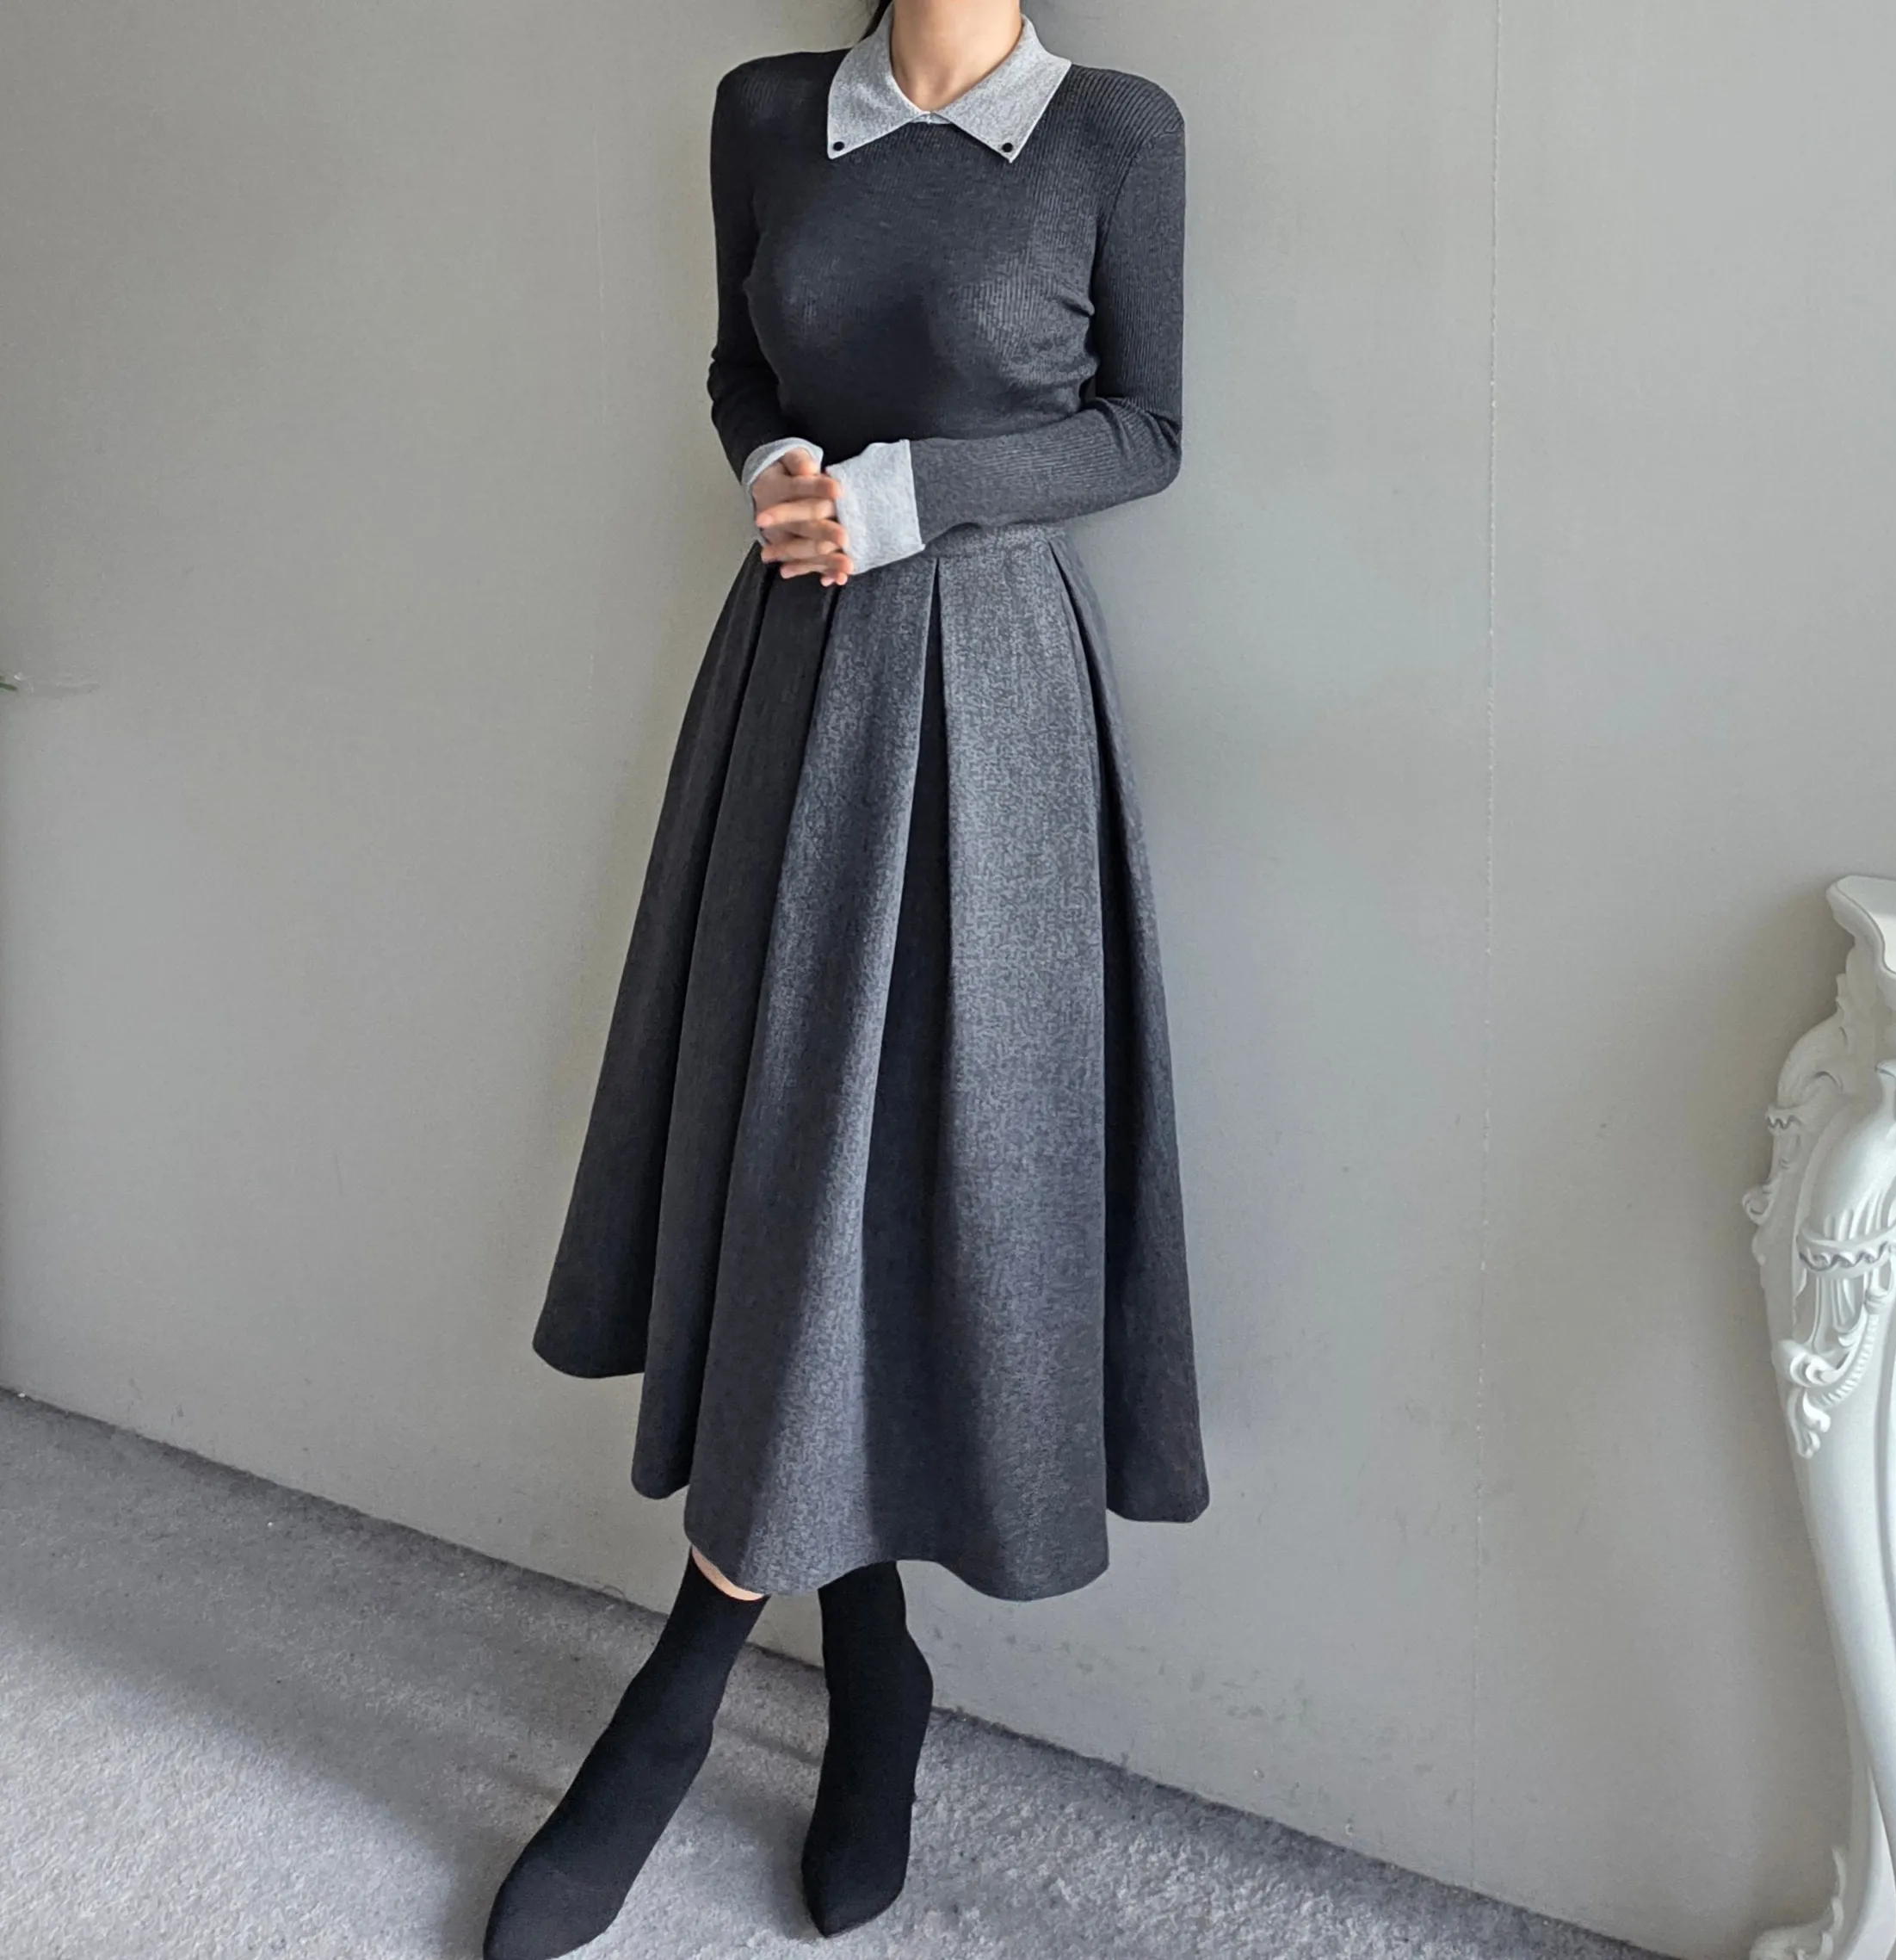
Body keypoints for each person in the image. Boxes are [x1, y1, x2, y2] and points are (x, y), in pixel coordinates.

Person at [482, 3, 1207, 1952]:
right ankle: (872, 1665)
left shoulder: (1112, 134)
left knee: (913, 1173)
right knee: (795, 1155)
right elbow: (739, 362)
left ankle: (680, 1696)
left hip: (995, 710)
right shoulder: (764, 113)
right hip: (791, 681)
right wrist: (781, 461)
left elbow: (1145, 429)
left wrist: (906, 501)